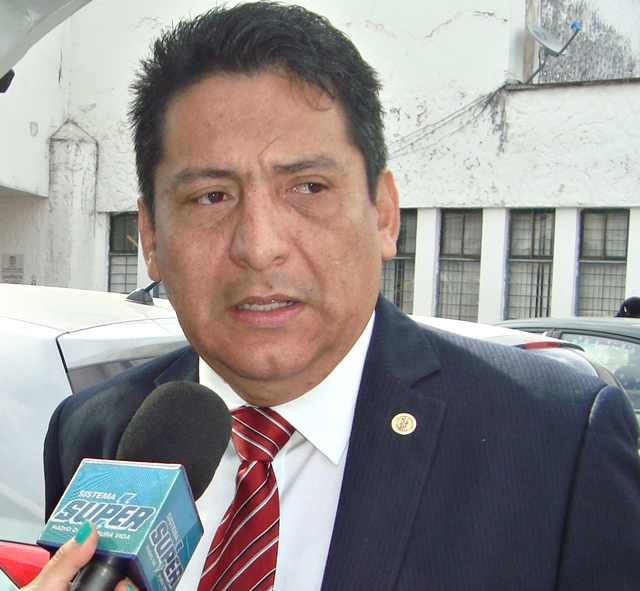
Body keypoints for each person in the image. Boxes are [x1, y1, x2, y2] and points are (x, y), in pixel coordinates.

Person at [30, 3, 640, 591]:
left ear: (384, 214)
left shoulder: (556, 440)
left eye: (308, 187)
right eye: (211, 197)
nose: (260, 246)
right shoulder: (95, 431)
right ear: (151, 238)